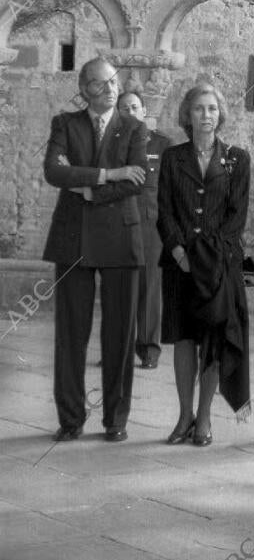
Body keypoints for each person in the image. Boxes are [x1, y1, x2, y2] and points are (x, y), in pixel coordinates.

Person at [43, 57, 147, 443]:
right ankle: (71, 419)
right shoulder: (65, 124)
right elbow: (54, 171)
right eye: (101, 84)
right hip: (74, 240)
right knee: (71, 334)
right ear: (85, 88)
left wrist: (86, 186)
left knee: (120, 335)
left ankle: (115, 419)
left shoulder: (135, 128)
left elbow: (136, 179)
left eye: (113, 82)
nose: (111, 89)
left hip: (121, 237)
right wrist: (108, 174)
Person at [157, 83, 251, 446]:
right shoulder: (172, 157)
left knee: (213, 341)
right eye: (199, 109)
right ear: (188, 115)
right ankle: (184, 415)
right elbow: (165, 211)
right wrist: (179, 253)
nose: (206, 115)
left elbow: (235, 219)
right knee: (183, 340)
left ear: (220, 114)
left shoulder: (237, 159)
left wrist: (208, 260)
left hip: (218, 268)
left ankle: (205, 418)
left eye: (212, 109)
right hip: (179, 266)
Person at [117, 90, 171, 369]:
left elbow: (170, 189)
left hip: (150, 224)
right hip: (117, 222)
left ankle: (149, 349)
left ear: (143, 110)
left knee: (150, 287)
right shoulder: (109, 145)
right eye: (123, 108)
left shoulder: (162, 144)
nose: (129, 112)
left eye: (134, 107)